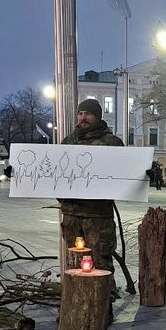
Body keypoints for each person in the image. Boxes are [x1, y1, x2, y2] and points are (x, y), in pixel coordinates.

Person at [58, 98, 124, 280]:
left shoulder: (111, 143)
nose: (83, 117)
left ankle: (104, 306)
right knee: (75, 264)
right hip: (72, 216)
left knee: (100, 264)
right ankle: (77, 305)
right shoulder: (68, 142)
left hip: (98, 217)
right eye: (80, 113)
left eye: (88, 114)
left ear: (97, 117)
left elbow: (124, 172)